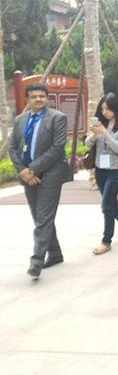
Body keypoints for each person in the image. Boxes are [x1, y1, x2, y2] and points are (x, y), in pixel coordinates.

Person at [9, 83, 73, 279]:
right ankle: (55, 253)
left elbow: (57, 148)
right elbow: (12, 148)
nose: (38, 99)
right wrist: (23, 172)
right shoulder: (20, 120)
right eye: (34, 96)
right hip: (28, 175)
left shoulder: (57, 118)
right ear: (27, 99)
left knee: (43, 217)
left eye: (42, 96)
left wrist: (33, 169)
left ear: (47, 99)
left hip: (51, 173)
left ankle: (36, 261)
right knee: (40, 217)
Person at [85, 93, 118, 255]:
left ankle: (106, 241)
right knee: (111, 203)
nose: (105, 112)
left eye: (108, 109)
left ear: (116, 109)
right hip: (100, 168)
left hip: (116, 170)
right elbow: (87, 144)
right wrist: (94, 134)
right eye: (103, 109)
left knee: (106, 205)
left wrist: (105, 134)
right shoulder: (101, 124)